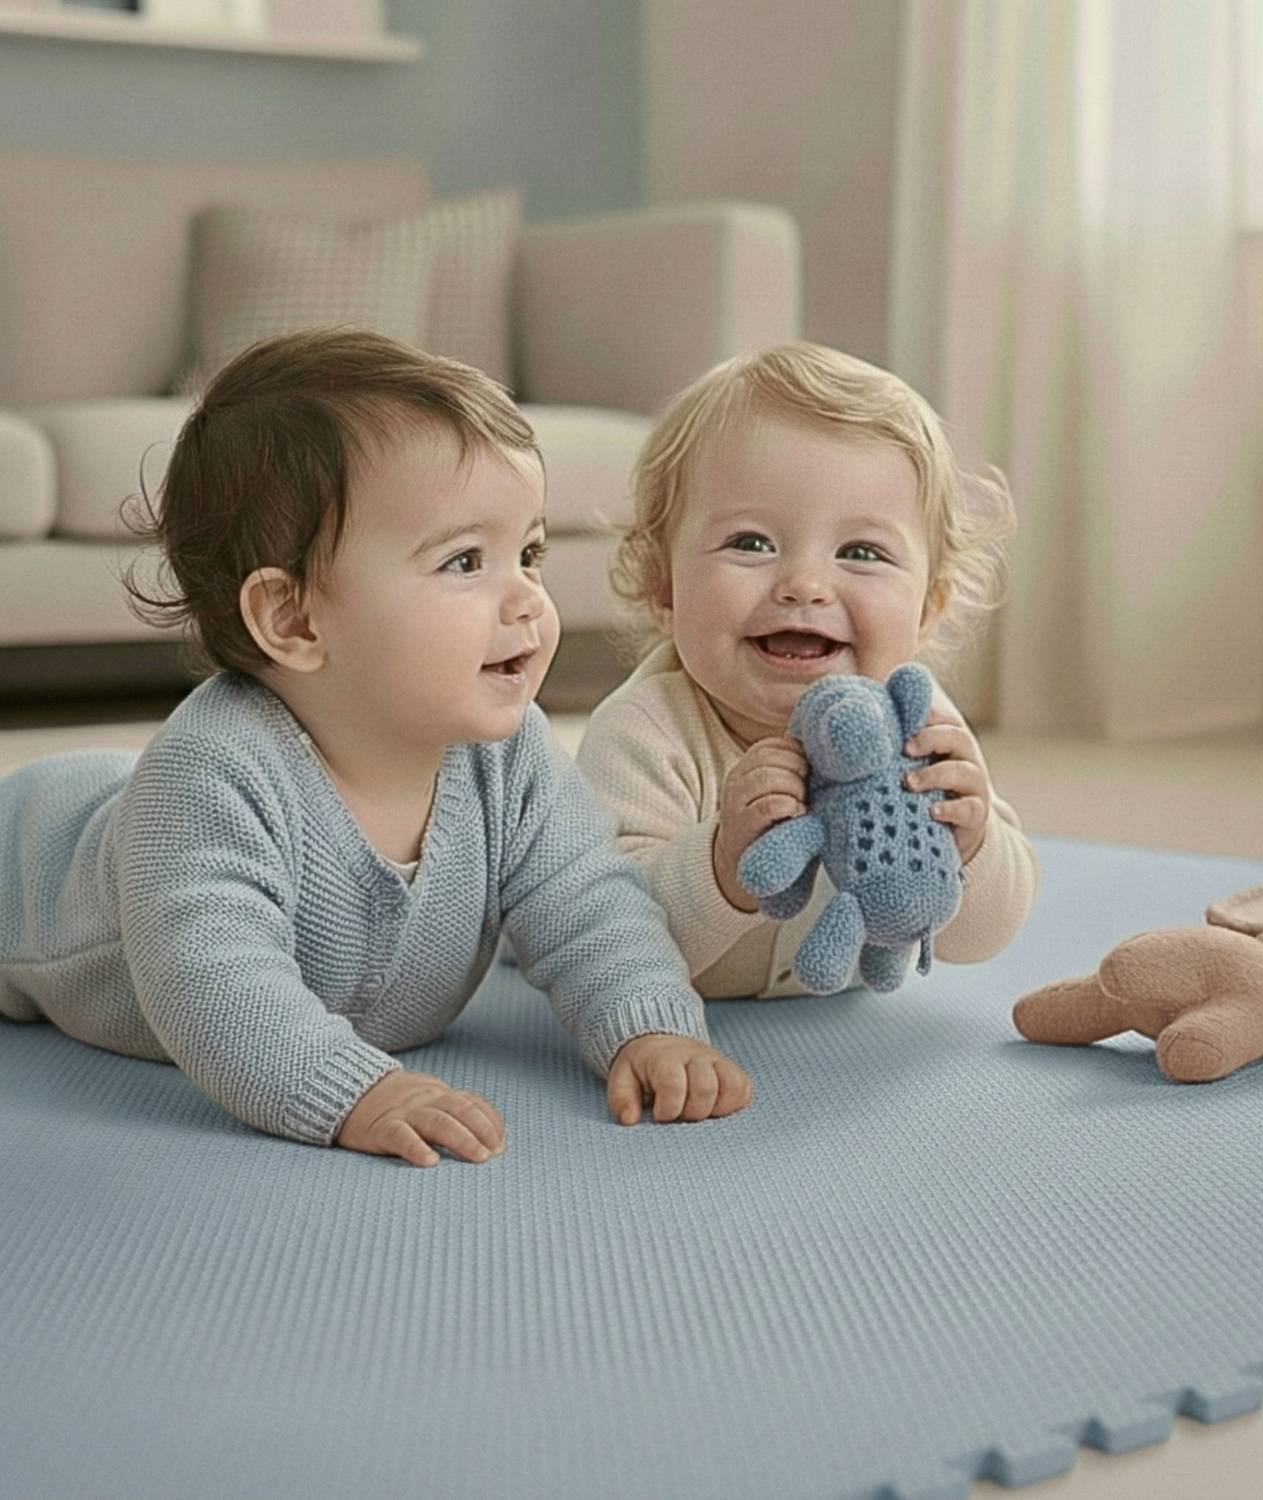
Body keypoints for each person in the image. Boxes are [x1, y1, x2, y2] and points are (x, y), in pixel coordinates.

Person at [0, 327, 751, 1165]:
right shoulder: (207, 781)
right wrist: (349, 1087)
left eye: (529, 553)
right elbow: (214, 981)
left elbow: (589, 901)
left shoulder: (508, 757)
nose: (528, 601)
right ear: (294, 619)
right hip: (29, 864)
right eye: (466, 560)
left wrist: (646, 1023)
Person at [576, 341, 1038, 999]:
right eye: (751, 543)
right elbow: (601, 939)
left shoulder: (916, 722)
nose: (805, 584)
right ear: (665, 586)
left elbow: (987, 935)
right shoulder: (645, 731)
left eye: (861, 551)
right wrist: (722, 866)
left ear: (928, 608)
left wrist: (973, 845)